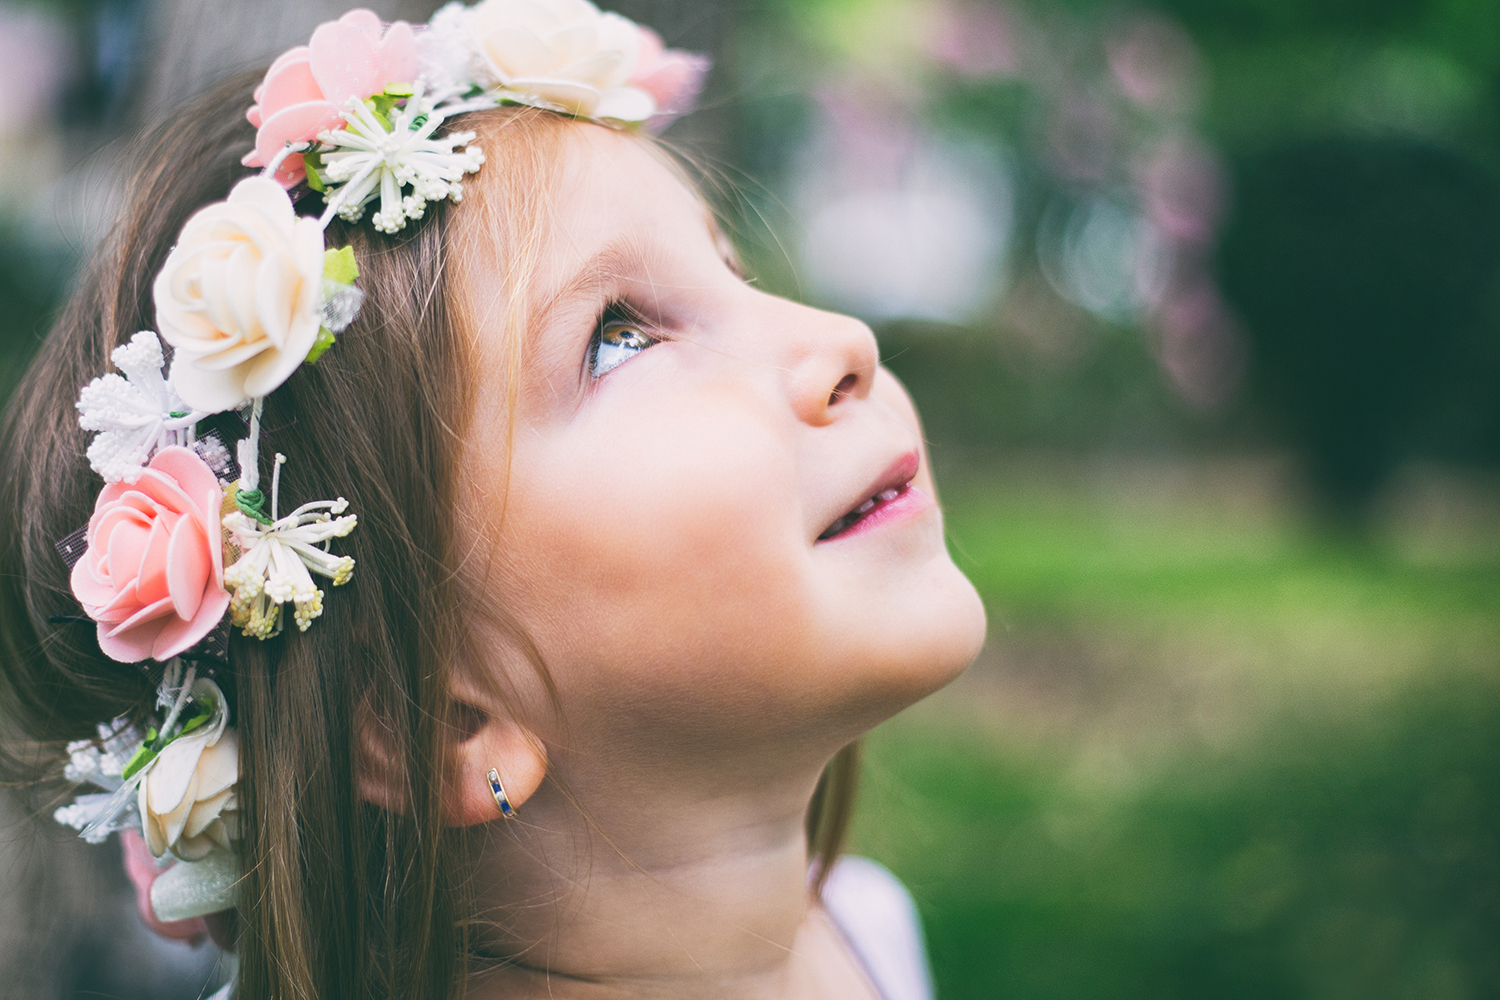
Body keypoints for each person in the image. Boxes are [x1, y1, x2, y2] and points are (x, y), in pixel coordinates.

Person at [0, 3, 987, 998]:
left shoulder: (870, 933)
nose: (841, 339)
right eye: (619, 337)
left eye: (737, 271)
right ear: (435, 718)